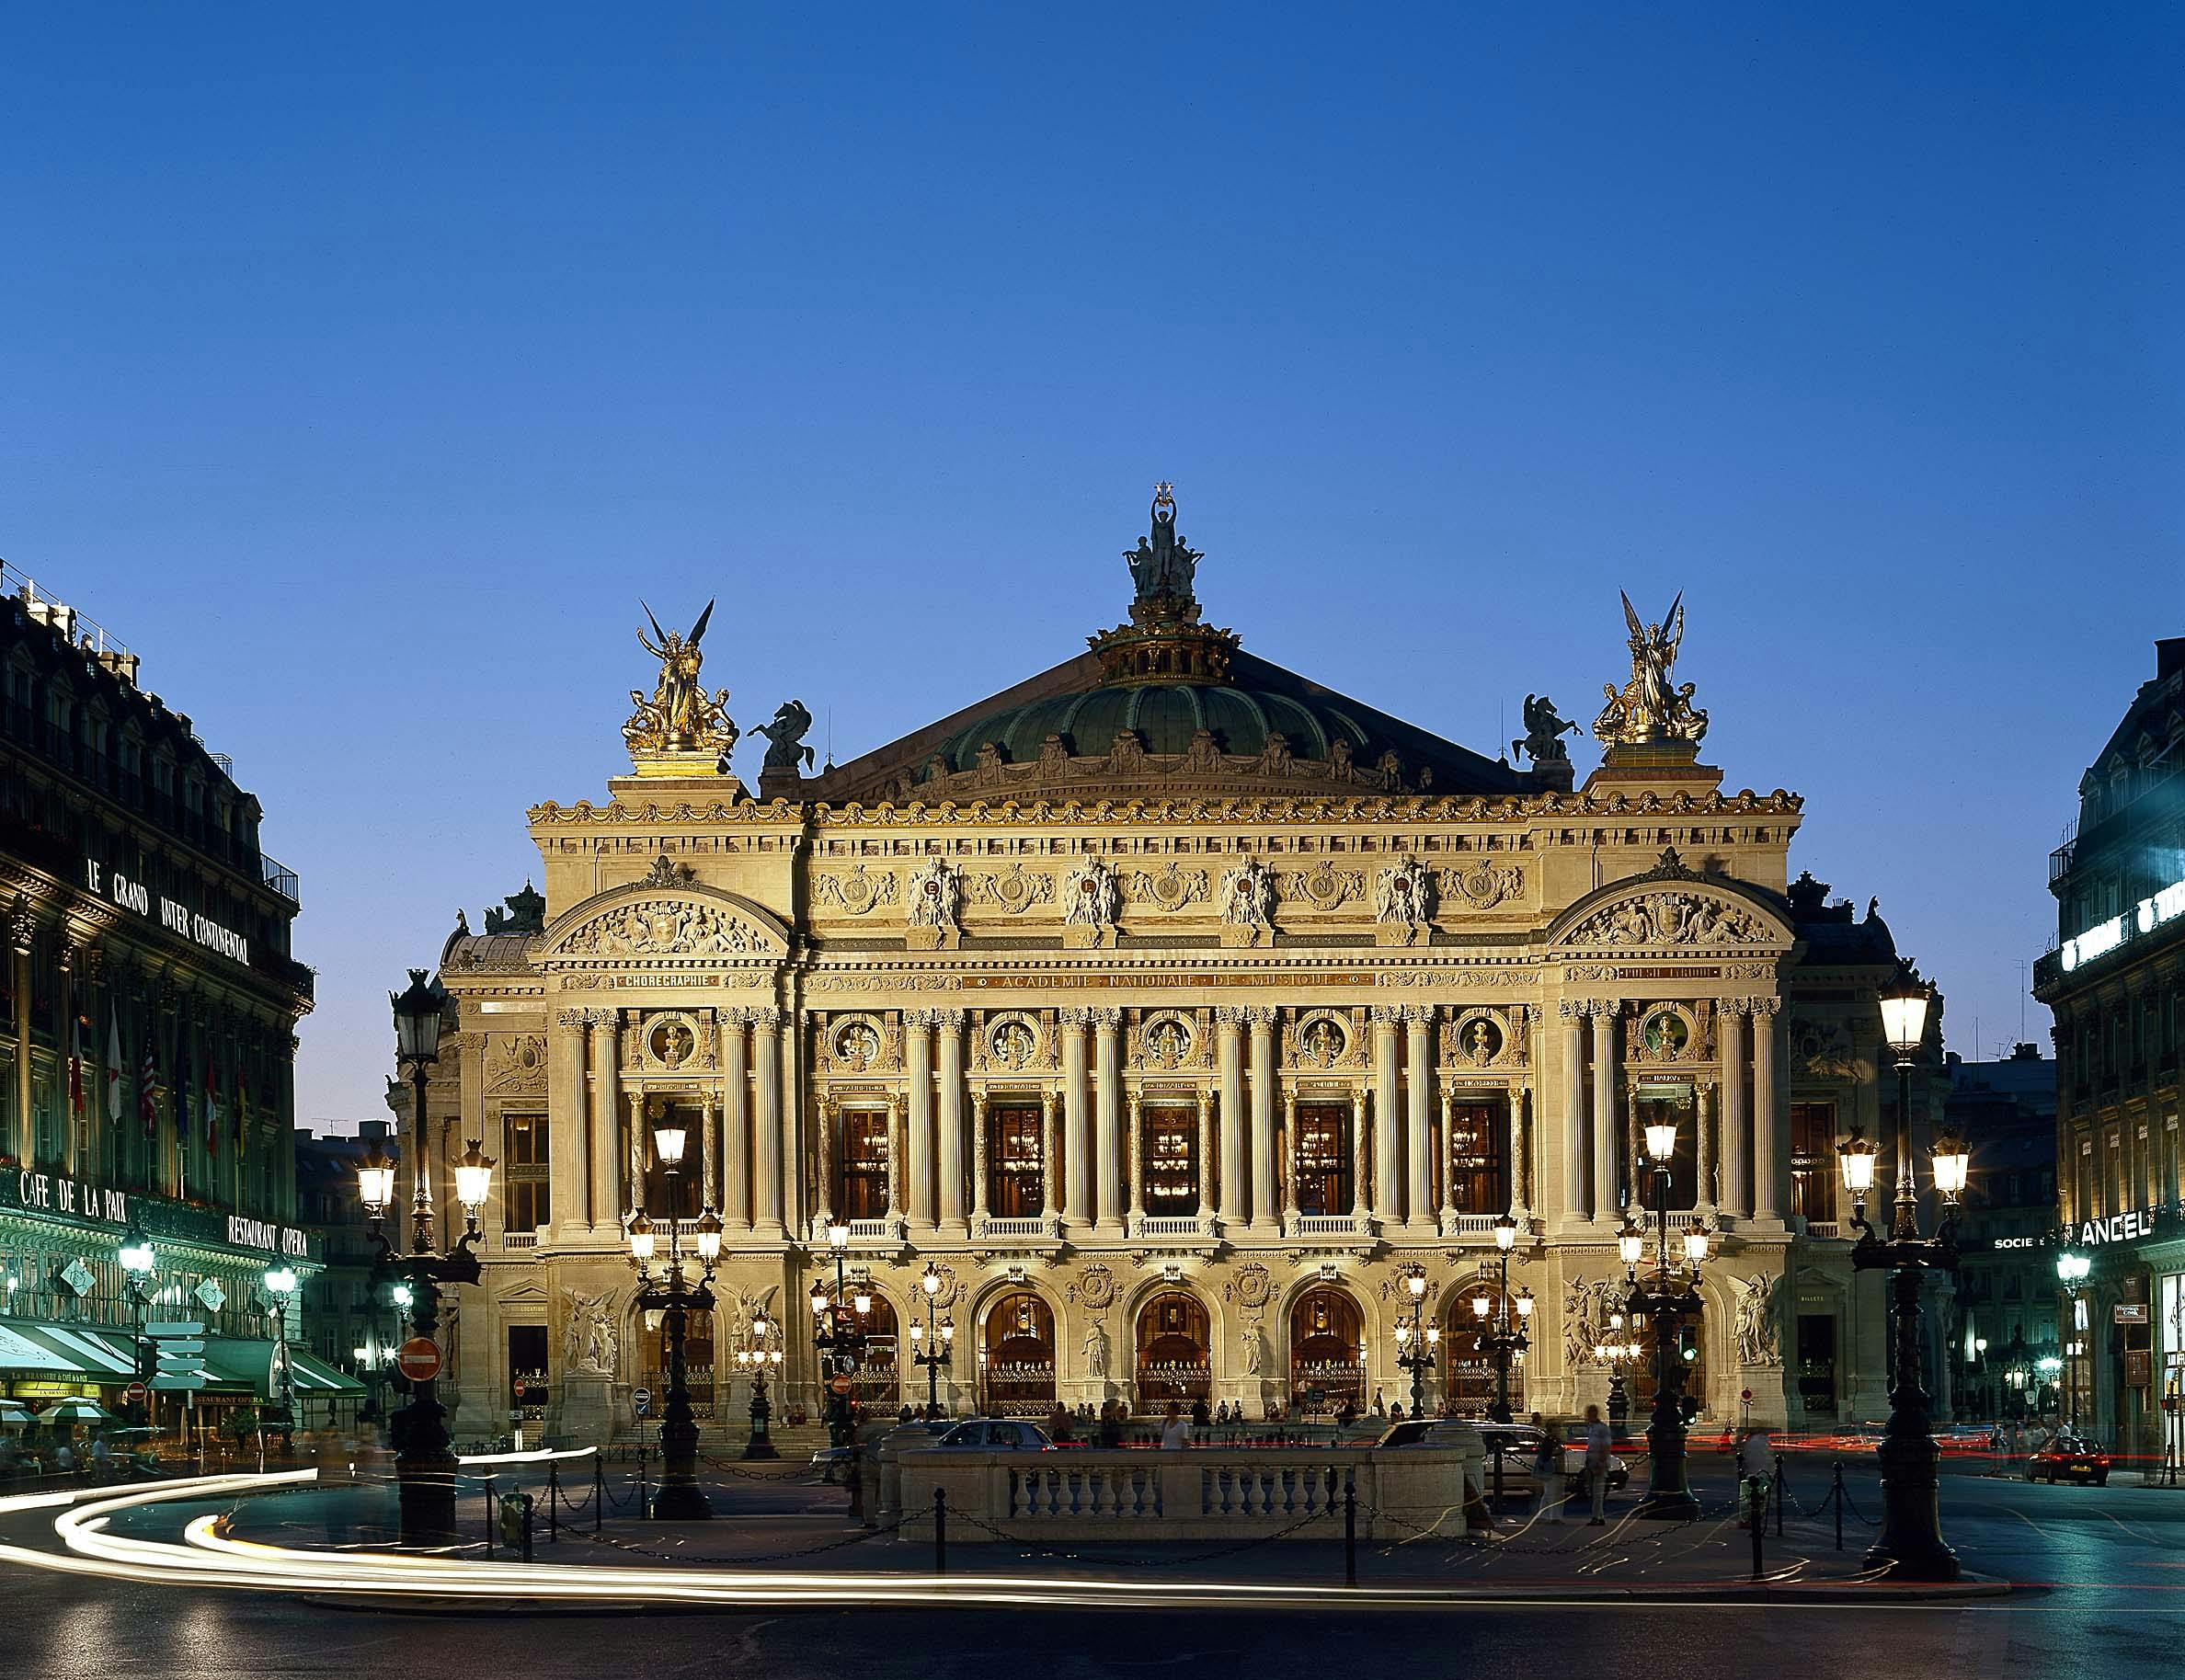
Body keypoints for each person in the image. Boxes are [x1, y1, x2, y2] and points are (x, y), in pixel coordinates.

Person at [1738, 1426, 1773, 1526]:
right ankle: (1755, 1517)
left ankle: (1748, 1519)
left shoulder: (1751, 1443)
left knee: (1747, 1496)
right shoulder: (1762, 1442)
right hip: (1760, 1475)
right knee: (1760, 1497)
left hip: (1752, 1475)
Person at [1584, 1403, 1611, 1524]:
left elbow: (1606, 1446)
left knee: (1597, 1492)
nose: (1587, 1416)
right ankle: (1599, 1516)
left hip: (1599, 1463)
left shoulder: (1602, 1428)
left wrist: (1602, 1462)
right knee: (1594, 1492)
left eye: (1589, 1413)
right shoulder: (1592, 1427)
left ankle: (1597, 1517)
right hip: (1592, 1462)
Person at [1533, 1421, 1565, 1523]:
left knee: (1549, 1493)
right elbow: (1547, 1455)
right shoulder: (1551, 1440)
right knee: (1553, 1494)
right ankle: (1554, 1517)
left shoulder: (1554, 1440)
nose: (1559, 1429)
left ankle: (1544, 1515)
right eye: (1557, 1427)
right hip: (1553, 1470)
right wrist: (1558, 1451)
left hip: (1556, 1470)